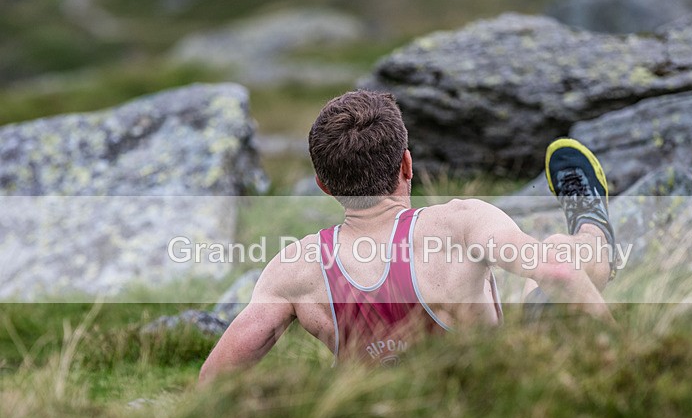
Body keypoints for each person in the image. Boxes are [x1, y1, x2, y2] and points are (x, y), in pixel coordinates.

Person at [199, 90, 616, 381]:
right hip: (491, 413)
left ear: (323, 186)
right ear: (407, 165)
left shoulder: (294, 269)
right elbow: (560, 276)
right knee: (560, 255)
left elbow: (216, 377)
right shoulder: (460, 222)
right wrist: (627, 367)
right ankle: (593, 229)